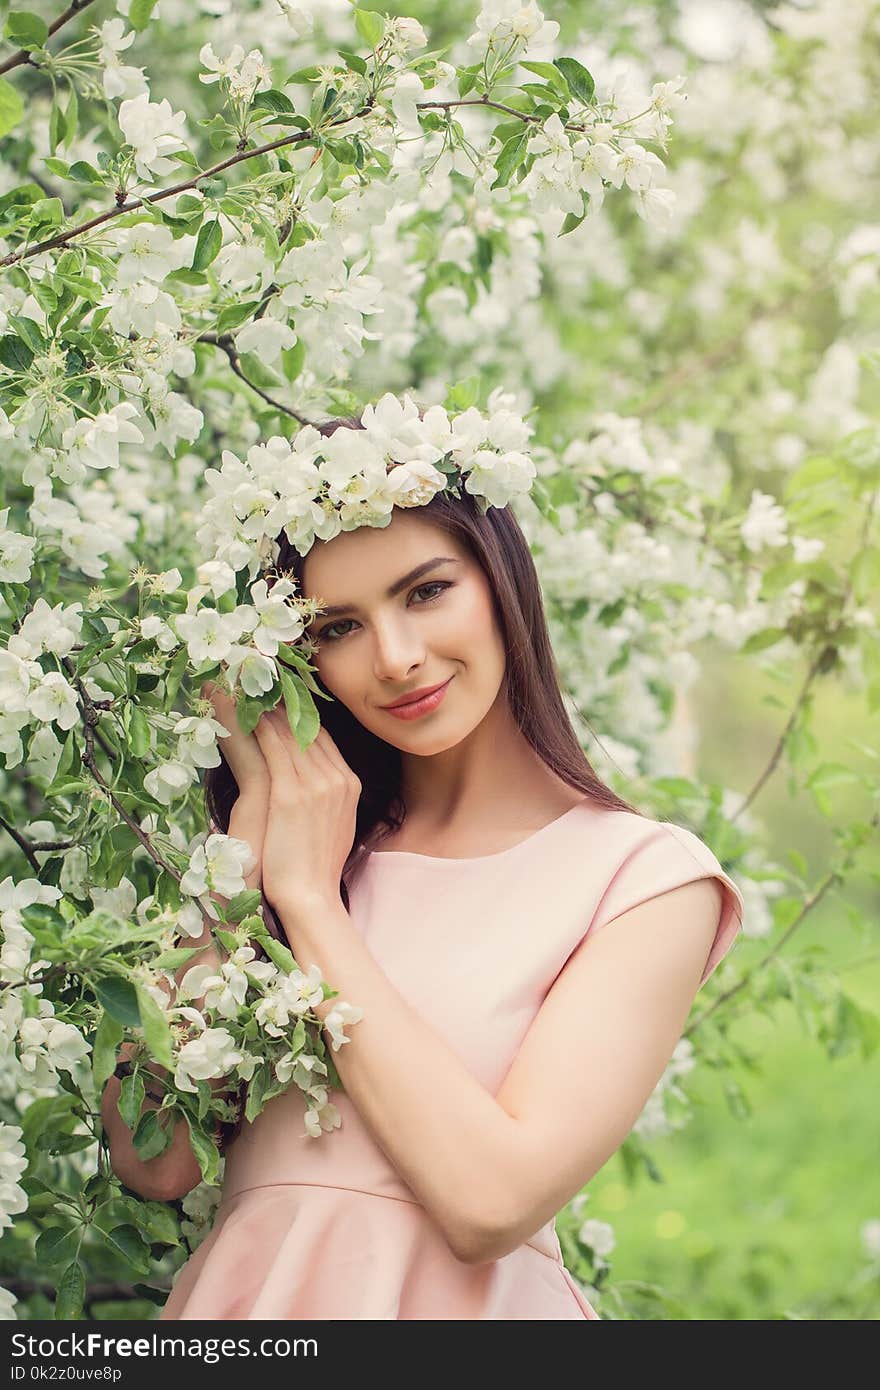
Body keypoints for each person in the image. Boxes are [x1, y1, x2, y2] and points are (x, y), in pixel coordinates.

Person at [104, 405, 745, 1320]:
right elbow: (152, 1158)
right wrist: (242, 877)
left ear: (500, 581)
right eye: (337, 628)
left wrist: (311, 907)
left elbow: (490, 1203)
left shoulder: (642, 880)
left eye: (426, 591)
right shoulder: (293, 850)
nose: (397, 659)